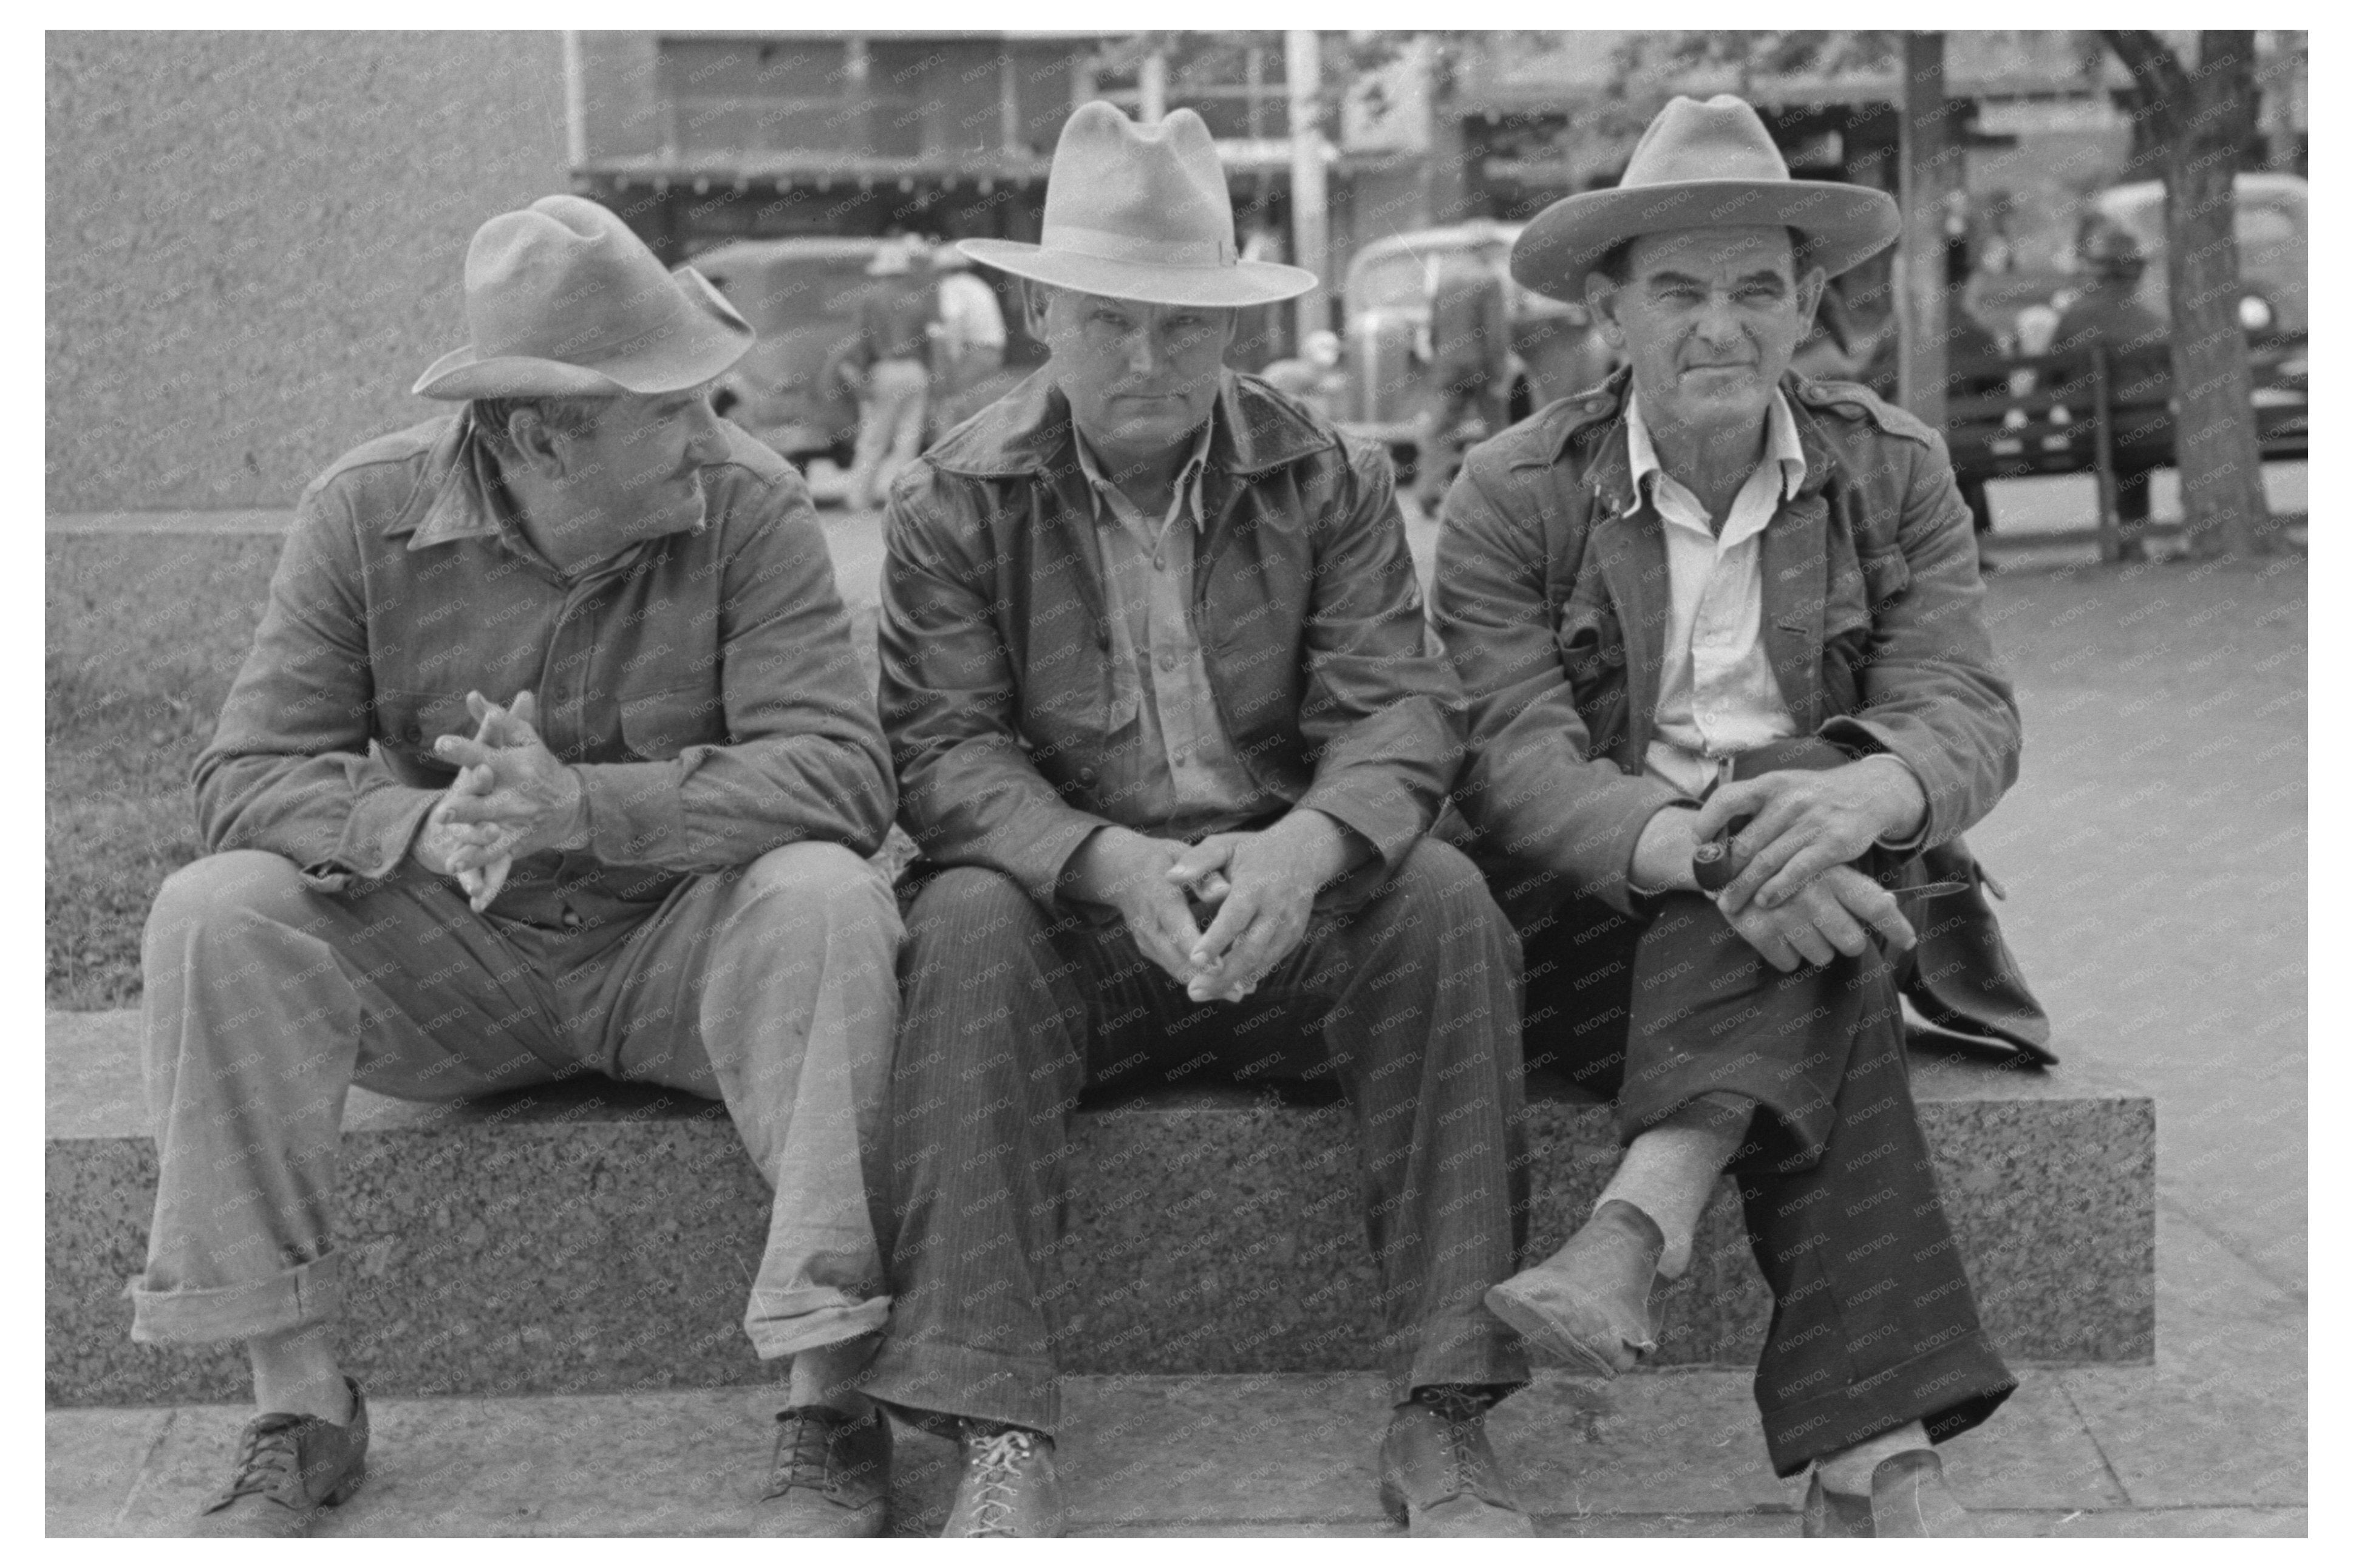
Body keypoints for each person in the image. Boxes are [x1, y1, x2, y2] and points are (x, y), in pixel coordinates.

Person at [132, 195, 905, 1538]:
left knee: (830, 896)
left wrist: (583, 807)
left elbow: (843, 775)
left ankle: (827, 1402)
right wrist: (417, 826)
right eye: (668, 407)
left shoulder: (752, 505)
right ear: (542, 433)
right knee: (214, 912)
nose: (707, 432)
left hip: (682, 960)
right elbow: (239, 777)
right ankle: (298, 1405)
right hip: (458, 961)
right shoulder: (359, 513)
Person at [868, 102, 1533, 1539]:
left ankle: (1446, 1409)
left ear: (1231, 327)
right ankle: (997, 1430)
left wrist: (1306, 848)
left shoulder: (1329, 475)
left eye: (1182, 325)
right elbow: (942, 749)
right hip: (1078, 930)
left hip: (1287, 908)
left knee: (1442, 905)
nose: (1147, 360)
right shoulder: (952, 502)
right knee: (966, 922)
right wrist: (1103, 863)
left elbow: (1401, 711)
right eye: (1110, 321)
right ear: (1043, 312)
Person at [1432, 95, 2049, 1539]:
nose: (1721, 326)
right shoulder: (1510, 493)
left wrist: (1859, 793)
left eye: (1757, 291)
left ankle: (1635, 1227)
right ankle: (1875, 1452)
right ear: (1610, 315)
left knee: (1810, 814)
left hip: (1823, 884)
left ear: (1808, 307)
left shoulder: (1887, 467)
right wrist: (1718, 847)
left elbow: (1964, 706)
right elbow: (1510, 762)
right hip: (1587, 926)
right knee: (1797, 900)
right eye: (1679, 292)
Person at [2053, 220, 2169, 561]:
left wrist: (2033, 435)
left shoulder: (2073, 319)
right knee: (2140, 434)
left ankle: (2126, 536)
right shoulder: (2154, 321)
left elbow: (2048, 384)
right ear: (2136, 273)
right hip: (2151, 440)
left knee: (2118, 437)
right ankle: (2133, 537)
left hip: (2088, 440)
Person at [1413, 248, 1510, 512]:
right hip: (1480, 364)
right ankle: (1503, 494)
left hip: (1448, 365)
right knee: (1497, 429)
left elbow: (1433, 329)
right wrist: (1498, 372)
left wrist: (1439, 360)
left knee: (1440, 431)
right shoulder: (1490, 280)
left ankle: (1429, 491)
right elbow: (1495, 331)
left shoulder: (1445, 281)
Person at [844, 237, 936, 509]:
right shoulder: (918, 300)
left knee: (875, 437)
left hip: (885, 369)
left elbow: (862, 341)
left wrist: (859, 374)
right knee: (908, 438)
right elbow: (928, 342)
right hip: (916, 371)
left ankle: (859, 498)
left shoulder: (870, 300)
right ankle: (902, 498)